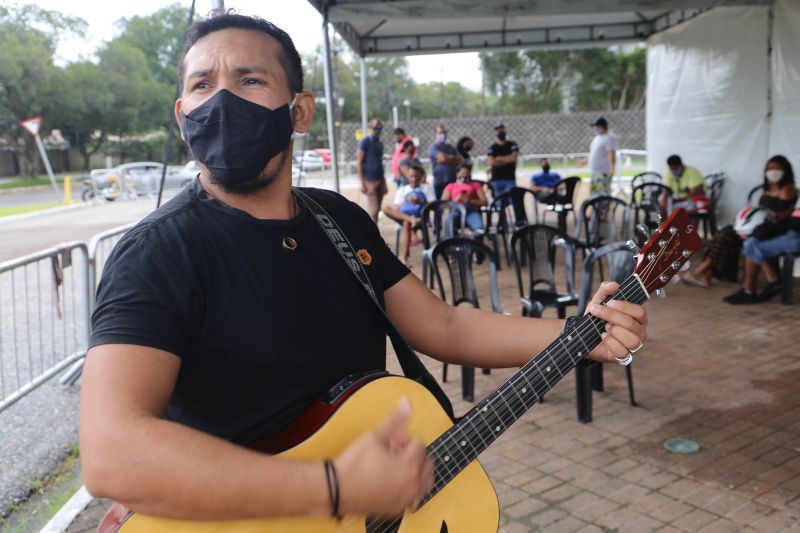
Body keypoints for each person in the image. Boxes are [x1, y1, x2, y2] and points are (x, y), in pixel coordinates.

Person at [79, 12, 648, 524]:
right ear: (183, 115)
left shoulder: (339, 220)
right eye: (203, 84)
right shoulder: (158, 254)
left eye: (249, 80)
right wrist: (335, 486)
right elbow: (111, 454)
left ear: (298, 111)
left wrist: (580, 335)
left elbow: (443, 327)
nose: (222, 101)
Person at [724, 155, 799, 304]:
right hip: (790, 233)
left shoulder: (789, 190)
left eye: (777, 168)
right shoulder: (768, 189)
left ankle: (753, 288)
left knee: (751, 242)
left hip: (794, 237)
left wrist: (770, 225)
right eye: (770, 168)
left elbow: (793, 223)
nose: (773, 172)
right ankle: (766, 282)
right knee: (750, 240)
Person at [383, 163, 435, 267]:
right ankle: (411, 220)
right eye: (411, 176)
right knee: (385, 208)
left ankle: (404, 258)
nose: (414, 178)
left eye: (416, 176)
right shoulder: (403, 189)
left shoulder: (426, 188)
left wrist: (419, 202)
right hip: (404, 215)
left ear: (421, 177)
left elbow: (433, 205)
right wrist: (406, 200)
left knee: (406, 223)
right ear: (408, 176)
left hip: (421, 217)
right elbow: (397, 208)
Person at [441, 163, 488, 236]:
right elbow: (442, 204)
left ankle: (476, 245)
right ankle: (450, 244)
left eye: (467, 173)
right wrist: (455, 200)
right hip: (456, 211)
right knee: (448, 224)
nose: (465, 175)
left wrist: (470, 200)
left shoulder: (476, 185)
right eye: (462, 173)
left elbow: (485, 202)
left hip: (471, 211)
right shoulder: (451, 186)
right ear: (457, 174)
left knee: (479, 229)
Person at [357, 117, 388, 223]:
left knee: (377, 210)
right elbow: (359, 162)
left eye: (379, 126)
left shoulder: (380, 143)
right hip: (369, 181)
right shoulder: (365, 141)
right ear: (371, 127)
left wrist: (384, 182)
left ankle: (374, 235)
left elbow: (380, 163)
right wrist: (362, 183)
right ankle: (372, 237)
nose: (377, 128)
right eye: (375, 126)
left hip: (379, 179)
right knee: (373, 211)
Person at [428, 124, 461, 199]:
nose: (442, 135)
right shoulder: (433, 147)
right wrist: (452, 159)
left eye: (444, 133)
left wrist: (447, 158)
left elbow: (459, 159)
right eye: (440, 133)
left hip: (452, 180)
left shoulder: (450, 147)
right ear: (435, 134)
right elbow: (442, 158)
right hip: (440, 181)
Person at [486, 123, 519, 198]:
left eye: (501, 129)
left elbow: (513, 158)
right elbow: (492, 162)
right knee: (499, 201)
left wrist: (499, 159)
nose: (500, 132)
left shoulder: (512, 145)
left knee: (513, 200)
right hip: (496, 179)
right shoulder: (492, 147)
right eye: (498, 130)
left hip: (510, 178)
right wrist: (507, 159)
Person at [588, 116, 616, 195]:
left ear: (601, 126)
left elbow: (611, 154)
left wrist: (612, 168)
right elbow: (593, 153)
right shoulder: (597, 138)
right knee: (594, 195)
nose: (594, 129)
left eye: (595, 127)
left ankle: (605, 207)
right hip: (595, 172)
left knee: (604, 194)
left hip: (603, 172)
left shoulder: (609, 138)